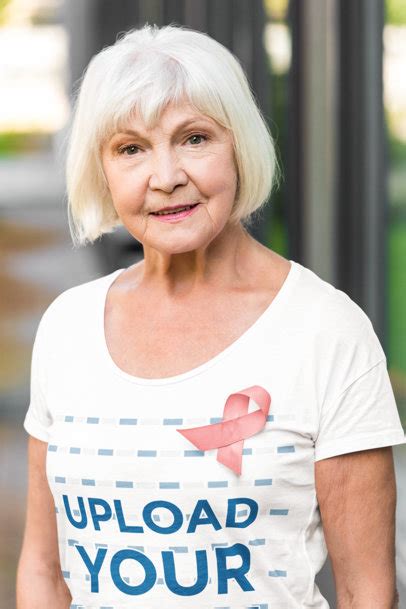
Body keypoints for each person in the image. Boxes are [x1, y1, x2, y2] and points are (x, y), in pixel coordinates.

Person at [16, 23, 405, 609]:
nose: (166, 176)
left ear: (240, 146)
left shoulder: (326, 330)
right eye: (130, 148)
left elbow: (366, 591)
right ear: (101, 168)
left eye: (194, 138)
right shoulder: (68, 326)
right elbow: (45, 571)